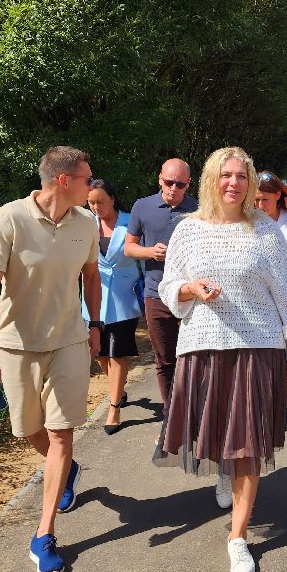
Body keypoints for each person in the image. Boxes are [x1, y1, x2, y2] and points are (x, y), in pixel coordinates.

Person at [156, 147, 287, 572]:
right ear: (211, 179)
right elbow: (169, 287)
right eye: (227, 175)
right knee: (222, 434)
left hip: (257, 349)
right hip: (203, 347)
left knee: (250, 444)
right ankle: (224, 469)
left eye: (243, 176)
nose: (235, 183)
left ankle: (237, 538)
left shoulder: (265, 232)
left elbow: (285, 296)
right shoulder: (188, 230)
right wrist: (189, 288)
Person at [0, 146, 102, 572]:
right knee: (27, 429)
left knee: (62, 434)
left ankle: (43, 536)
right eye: (86, 177)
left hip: (68, 342)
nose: (92, 183)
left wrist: (94, 323)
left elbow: (91, 274)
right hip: (16, 345)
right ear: (63, 180)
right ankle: (67, 471)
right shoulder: (9, 218)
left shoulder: (86, 222)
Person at [124, 159, 197, 417]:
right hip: (156, 295)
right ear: (159, 179)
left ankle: (196, 411)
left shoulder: (199, 209)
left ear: (188, 183)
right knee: (164, 359)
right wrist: (150, 252)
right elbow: (129, 247)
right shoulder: (142, 206)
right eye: (169, 182)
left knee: (194, 358)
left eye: (180, 184)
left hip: (192, 296)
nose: (173, 188)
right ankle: (172, 414)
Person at [84, 179, 142, 434]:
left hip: (123, 297)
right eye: (91, 202)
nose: (96, 207)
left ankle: (114, 406)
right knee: (99, 353)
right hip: (92, 299)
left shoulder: (130, 221)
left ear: (113, 199)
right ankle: (118, 389)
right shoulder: (84, 224)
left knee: (117, 352)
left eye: (101, 202)